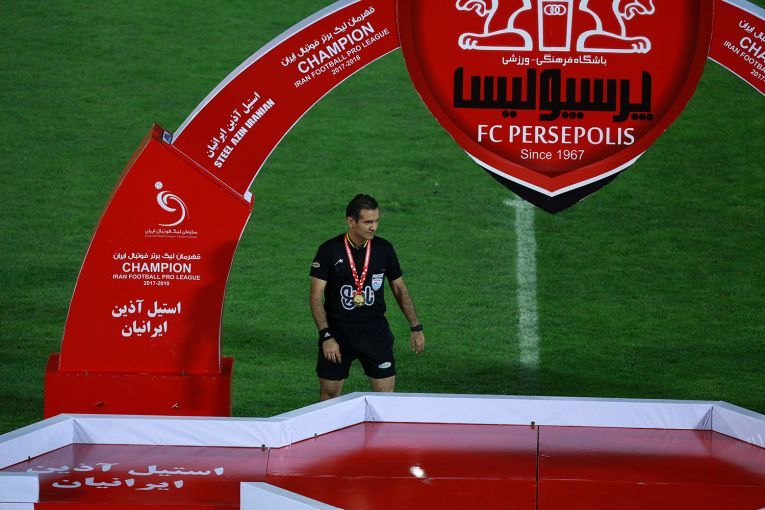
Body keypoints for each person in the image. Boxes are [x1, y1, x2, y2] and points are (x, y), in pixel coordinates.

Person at [309, 194, 425, 401]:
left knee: (386, 398)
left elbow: (399, 289)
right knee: (329, 395)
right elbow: (315, 297)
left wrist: (415, 327)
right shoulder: (329, 250)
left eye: (376, 221)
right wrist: (326, 336)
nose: (374, 227)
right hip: (338, 334)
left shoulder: (384, 249)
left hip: (375, 334)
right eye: (368, 222)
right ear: (351, 221)